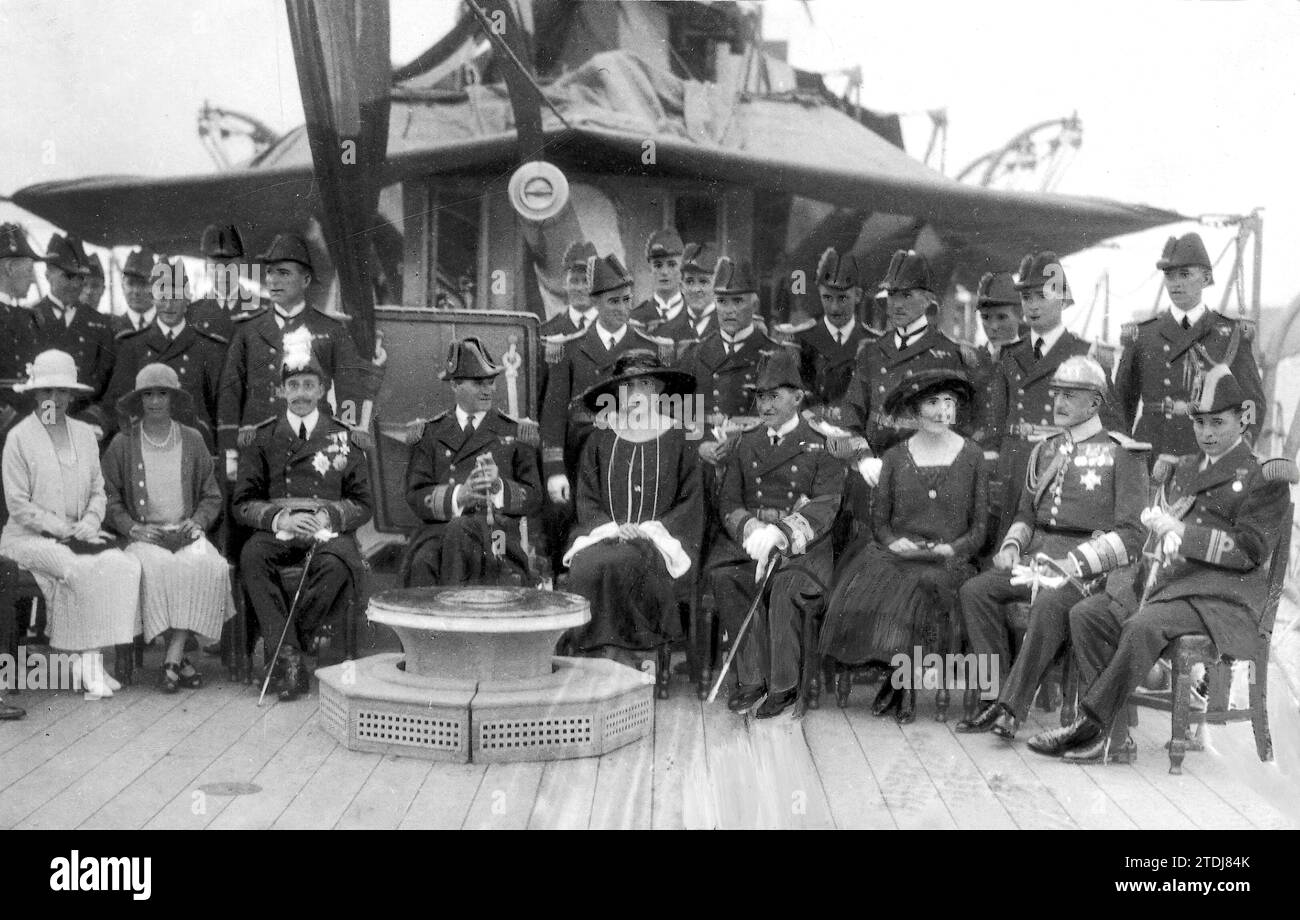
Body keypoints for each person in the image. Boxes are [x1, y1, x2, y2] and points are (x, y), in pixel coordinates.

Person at [1035, 366, 1291, 763]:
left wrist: (1183, 533)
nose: (1206, 432)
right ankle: (1114, 736)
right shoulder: (1186, 467)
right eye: (1200, 423)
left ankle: (1090, 727)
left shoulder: (1263, 475)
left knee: (1142, 626)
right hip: (1171, 587)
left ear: (1243, 418)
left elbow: (1249, 551)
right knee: (1088, 614)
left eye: (1217, 423)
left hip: (1222, 600)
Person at [957, 356, 1149, 739]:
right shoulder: (1045, 449)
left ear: (1094, 403)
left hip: (1088, 567)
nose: (1058, 403)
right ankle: (991, 694)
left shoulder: (1121, 452)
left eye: (1070, 396)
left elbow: (1132, 534)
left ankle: (1010, 708)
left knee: (1047, 603)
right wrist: (1012, 546)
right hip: (1036, 558)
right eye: (1057, 394)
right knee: (975, 591)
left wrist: (1074, 563)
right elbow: (1027, 514)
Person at [820, 368, 986, 722]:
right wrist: (896, 543)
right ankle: (902, 682)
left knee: (925, 587)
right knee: (888, 582)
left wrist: (952, 549)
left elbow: (980, 527)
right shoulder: (895, 457)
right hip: (900, 554)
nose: (942, 411)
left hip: (948, 559)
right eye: (932, 402)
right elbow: (881, 522)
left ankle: (901, 685)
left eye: (949, 403)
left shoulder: (972, 456)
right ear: (914, 410)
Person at [232, 328, 372, 702]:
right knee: (252, 554)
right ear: (281, 391)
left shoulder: (345, 437)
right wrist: (281, 519)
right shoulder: (262, 438)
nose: (301, 394)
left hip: (326, 533)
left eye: (309, 385)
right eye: (293, 386)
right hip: (281, 530)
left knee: (338, 565)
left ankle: (283, 652)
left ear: (323, 389)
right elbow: (243, 501)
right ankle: (291, 656)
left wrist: (328, 516)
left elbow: (363, 503)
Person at [707, 346, 845, 718]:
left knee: (783, 588)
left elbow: (826, 506)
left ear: (798, 397)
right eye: (760, 397)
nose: (765, 406)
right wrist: (751, 530)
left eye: (774, 396)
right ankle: (751, 679)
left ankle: (784, 686)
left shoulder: (824, 443)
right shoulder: (745, 442)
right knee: (727, 577)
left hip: (804, 550)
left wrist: (781, 534)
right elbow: (728, 501)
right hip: (753, 545)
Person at [0, 350, 141, 699]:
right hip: (29, 538)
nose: (55, 399)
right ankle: (83, 661)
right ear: (35, 395)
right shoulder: (19, 438)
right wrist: (63, 529)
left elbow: (98, 490)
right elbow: (18, 505)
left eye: (62, 392)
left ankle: (90, 660)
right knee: (76, 569)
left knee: (123, 566)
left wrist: (91, 522)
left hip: (82, 534)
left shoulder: (83, 435)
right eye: (47, 392)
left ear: (72, 395)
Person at [563, 351, 702, 674]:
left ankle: (634, 659)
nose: (637, 393)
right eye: (629, 386)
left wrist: (648, 531)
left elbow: (690, 502)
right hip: (604, 535)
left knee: (628, 562)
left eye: (645, 384)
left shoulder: (680, 438)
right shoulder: (601, 439)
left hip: (662, 543)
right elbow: (587, 498)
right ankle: (592, 660)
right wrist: (613, 528)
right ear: (617, 394)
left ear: (659, 390)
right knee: (585, 566)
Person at [102, 364, 233, 692]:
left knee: (210, 565)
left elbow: (211, 493)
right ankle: (178, 660)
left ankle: (173, 655)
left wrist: (198, 521)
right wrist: (131, 527)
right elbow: (108, 496)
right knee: (157, 569)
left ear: (173, 398)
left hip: (187, 531)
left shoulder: (192, 439)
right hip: (146, 535)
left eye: (162, 393)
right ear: (139, 399)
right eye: (148, 394)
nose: (156, 401)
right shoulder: (123, 442)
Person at [984, 251, 1110, 541]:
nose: (1033, 306)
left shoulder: (1086, 354)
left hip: (1061, 463)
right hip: (1013, 466)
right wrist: (994, 467)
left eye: (1042, 296)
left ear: (1063, 300)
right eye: (1027, 298)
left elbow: (1110, 425)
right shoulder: (1009, 355)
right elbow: (995, 422)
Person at [217, 233, 368, 471]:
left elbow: (350, 393)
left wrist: (342, 446)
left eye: (283, 273)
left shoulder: (331, 331)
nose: (273, 281)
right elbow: (229, 396)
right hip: (257, 451)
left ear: (306, 280)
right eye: (270, 272)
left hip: (313, 449)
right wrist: (231, 454)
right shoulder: (248, 331)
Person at [401, 337, 542, 587]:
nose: (487, 389)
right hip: (438, 532)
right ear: (455, 385)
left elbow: (533, 496)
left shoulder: (515, 432)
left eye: (490, 382)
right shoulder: (430, 434)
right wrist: (458, 497)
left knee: (498, 565)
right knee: (422, 564)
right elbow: (415, 494)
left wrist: (498, 488)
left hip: (496, 533)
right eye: (478, 383)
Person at [539, 253, 673, 516]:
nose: (622, 309)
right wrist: (555, 472)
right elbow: (553, 417)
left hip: (637, 461)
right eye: (613, 302)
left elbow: (666, 413)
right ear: (594, 301)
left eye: (627, 300)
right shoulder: (569, 349)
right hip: (582, 465)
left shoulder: (651, 348)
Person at [1113, 232, 1266, 463]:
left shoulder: (1230, 334)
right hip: (1151, 453)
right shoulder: (1143, 336)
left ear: (1205, 278)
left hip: (1209, 455)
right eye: (1169, 275)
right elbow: (1120, 406)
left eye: (1184, 274)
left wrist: (1239, 448)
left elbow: (1252, 401)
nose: (1176, 283)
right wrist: (1124, 457)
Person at [843, 249, 972, 458]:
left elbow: (958, 426)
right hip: (873, 463)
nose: (897, 304)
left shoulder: (948, 354)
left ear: (927, 300)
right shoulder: (871, 351)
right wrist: (863, 457)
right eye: (892, 294)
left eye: (907, 295)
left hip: (920, 468)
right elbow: (852, 411)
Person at [101, 259, 225, 450]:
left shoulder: (207, 347)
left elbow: (220, 406)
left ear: (188, 299)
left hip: (193, 447)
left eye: (176, 297)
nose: (169, 305)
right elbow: (117, 401)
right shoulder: (132, 345)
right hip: (145, 446)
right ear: (153, 298)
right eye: (163, 297)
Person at [677, 257, 782, 467]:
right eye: (722, 302)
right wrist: (700, 444)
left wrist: (741, 442)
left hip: (755, 464)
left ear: (754, 305)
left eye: (738, 301)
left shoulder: (775, 355)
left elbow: (785, 419)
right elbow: (679, 411)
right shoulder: (694, 354)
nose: (729, 310)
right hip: (704, 463)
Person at [31, 234, 115, 435]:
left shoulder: (101, 325)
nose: (77, 284)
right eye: (68, 276)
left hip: (88, 429)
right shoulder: (30, 318)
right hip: (40, 428)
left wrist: (93, 421)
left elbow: (112, 384)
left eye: (81, 277)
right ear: (48, 273)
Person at [793, 248, 879, 421]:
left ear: (858, 295)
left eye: (842, 298)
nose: (834, 308)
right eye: (827, 297)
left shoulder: (875, 342)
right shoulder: (801, 341)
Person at [189, 224, 261, 342]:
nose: (222, 274)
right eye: (216, 267)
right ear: (206, 267)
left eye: (230, 267)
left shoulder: (262, 310)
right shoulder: (191, 314)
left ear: (241, 266)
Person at [653, 242, 719, 357]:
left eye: (703, 282)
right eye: (690, 281)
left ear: (716, 286)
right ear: (681, 286)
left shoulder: (729, 327)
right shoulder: (666, 331)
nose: (695, 289)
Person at [629, 229, 685, 331]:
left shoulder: (694, 316)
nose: (664, 272)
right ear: (650, 269)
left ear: (682, 268)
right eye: (658, 265)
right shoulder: (634, 319)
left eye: (672, 265)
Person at [111, 248, 159, 335]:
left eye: (143, 284)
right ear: (122, 287)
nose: (136, 291)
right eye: (130, 283)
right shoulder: (111, 329)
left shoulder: (168, 327)